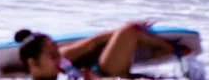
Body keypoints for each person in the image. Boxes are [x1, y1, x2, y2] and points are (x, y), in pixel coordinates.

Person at [15, 23, 193, 78]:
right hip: (107, 77)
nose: (58, 57)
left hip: (104, 71)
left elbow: (95, 41)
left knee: (130, 29)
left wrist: (133, 34)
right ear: (33, 62)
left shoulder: (62, 58)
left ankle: (166, 49)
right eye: (52, 55)